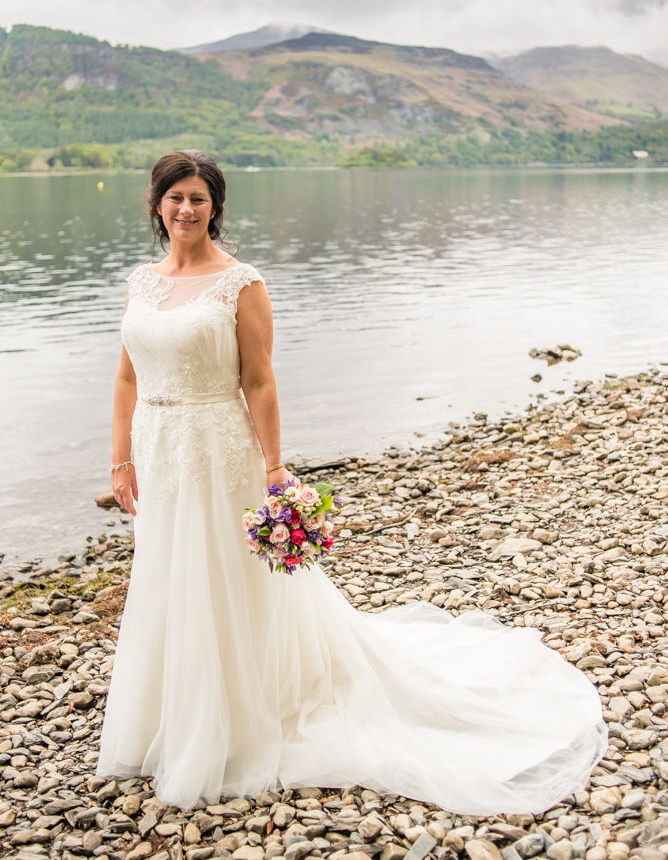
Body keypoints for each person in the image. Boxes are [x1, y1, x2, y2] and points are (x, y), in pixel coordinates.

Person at [96, 149, 608, 813]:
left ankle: (241, 717)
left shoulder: (240, 283)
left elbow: (259, 381)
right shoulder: (142, 282)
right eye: (175, 198)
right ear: (156, 205)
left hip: (220, 450)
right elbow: (127, 377)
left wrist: (276, 469)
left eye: (198, 198)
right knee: (169, 573)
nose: (187, 209)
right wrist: (119, 460)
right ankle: (168, 713)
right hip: (159, 450)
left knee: (228, 576)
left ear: (215, 207)